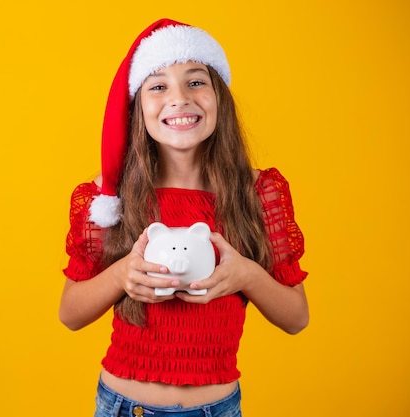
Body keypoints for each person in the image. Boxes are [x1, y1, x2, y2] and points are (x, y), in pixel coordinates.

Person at [59, 18, 309, 417]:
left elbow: (297, 318)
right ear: (137, 106)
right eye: (158, 86)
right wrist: (122, 275)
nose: (179, 99)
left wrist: (246, 275)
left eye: (196, 82)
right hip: (124, 406)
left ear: (218, 97)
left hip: (218, 407)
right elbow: (70, 314)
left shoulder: (259, 193)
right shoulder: (107, 195)